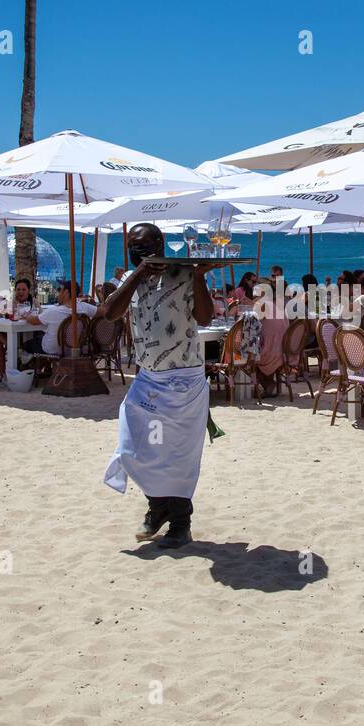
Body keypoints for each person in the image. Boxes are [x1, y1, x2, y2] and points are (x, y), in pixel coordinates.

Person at [102, 224, 218, 550]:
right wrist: (138, 272)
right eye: (131, 247)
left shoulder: (184, 273)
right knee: (135, 446)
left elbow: (206, 318)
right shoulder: (131, 278)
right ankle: (158, 505)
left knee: (176, 454)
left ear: (159, 244)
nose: (136, 252)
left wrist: (198, 276)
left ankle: (179, 522)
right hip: (148, 378)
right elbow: (109, 313)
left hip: (184, 379)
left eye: (141, 246)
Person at [21, 280, 95, 356]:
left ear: (66, 292)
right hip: (76, 350)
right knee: (39, 336)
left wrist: (27, 315)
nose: (58, 293)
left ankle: (35, 365)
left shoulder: (53, 311)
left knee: (26, 345)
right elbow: (104, 311)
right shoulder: (85, 307)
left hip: (53, 350)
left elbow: (33, 321)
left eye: (59, 290)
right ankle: (50, 365)